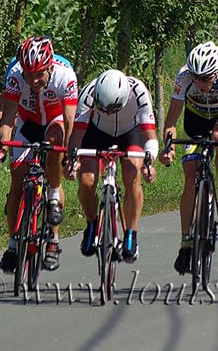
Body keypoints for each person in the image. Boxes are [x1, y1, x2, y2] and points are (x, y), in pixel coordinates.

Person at [0, 36, 78, 273]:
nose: (34, 80)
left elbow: (70, 122)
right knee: (17, 181)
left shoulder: (65, 76)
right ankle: (13, 245)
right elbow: (8, 117)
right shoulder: (16, 74)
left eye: (39, 74)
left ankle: (53, 225)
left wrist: (70, 155)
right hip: (28, 123)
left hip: (55, 121)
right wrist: (2, 148)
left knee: (57, 141)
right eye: (29, 75)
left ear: (50, 67)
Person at [159, 41, 218, 276]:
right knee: (190, 174)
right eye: (196, 77)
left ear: (217, 72)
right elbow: (171, 122)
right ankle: (186, 243)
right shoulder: (183, 77)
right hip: (195, 119)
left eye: (206, 78)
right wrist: (168, 147)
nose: (200, 83)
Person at [65, 69, 158, 263]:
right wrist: (72, 161)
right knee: (87, 181)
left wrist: (150, 162)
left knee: (132, 175)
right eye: (102, 107)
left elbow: (150, 137)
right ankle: (91, 224)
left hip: (130, 133)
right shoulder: (89, 93)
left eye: (112, 109)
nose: (107, 112)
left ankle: (131, 234)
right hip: (96, 133)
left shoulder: (139, 92)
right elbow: (77, 136)